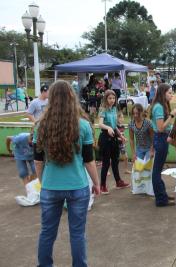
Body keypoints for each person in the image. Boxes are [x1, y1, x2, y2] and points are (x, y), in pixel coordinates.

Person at [33, 80, 100, 266]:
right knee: (77, 233)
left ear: (51, 99)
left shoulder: (41, 126)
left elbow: (38, 161)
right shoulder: (84, 126)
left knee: (47, 232)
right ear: (72, 98)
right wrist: (96, 183)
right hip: (78, 187)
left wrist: (43, 181)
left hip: (50, 187)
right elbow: (89, 160)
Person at [98, 90, 130, 194]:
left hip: (114, 138)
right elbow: (100, 124)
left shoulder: (114, 109)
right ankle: (102, 185)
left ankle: (118, 182)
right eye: (110, 98)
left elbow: (115, 126)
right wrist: (108, 128)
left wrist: (121, 136)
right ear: (106, 99)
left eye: (113, 98)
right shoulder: (103, 109)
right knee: (106, 163)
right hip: (105, 138)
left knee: (115, 161)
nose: (112, 100)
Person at [150, 83, 176, 207]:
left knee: (158, 170)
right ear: (163, 93)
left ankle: (162, 195)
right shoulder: (159, 107)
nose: (172, 95)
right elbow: (160, 128)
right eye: (170, 92)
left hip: (162, 138)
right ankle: (160, 199)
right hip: (160, 138)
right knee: (156, 171)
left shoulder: (161, 105)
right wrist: (171, 116)